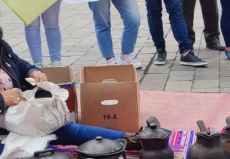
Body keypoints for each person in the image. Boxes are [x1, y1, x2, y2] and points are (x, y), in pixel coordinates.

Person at [0, 34, 140, 151]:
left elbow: (21, 65)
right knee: (41, 154)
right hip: (5, 133)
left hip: (24, 121)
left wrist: (33, 72)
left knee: (70, 130)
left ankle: (132, 139)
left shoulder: (2, 47)